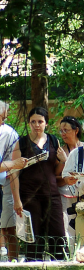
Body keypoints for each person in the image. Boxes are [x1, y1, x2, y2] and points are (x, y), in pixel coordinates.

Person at [11, 107, 67, 261]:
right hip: (29, 196)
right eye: (33, 122)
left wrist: (64, 160)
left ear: (46, 123)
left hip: (51, 195)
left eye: (40, 121)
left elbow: (57, 169)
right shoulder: (21, 143)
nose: (37, 125)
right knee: (34, 238)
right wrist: (17, 200)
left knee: (58, 235)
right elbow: (13, 173)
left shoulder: (54, 140)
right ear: (29, 124)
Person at [0, 101, 28, 260]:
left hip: (4, 185)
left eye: (4, 118)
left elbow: (16, 168)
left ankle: (13, 261)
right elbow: (14, 164)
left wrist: (17, 200)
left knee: (9, 226)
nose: (3, 120)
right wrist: (12, 164)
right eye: (1, 118)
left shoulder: (10, 133)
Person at [57, 116, 84, 243]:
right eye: (61, 131)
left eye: (66, 130)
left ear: (76, 130)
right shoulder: (59, 152)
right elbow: (56, 177)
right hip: (65, 196)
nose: (63, 134)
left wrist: (66, 160)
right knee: (67, 227)